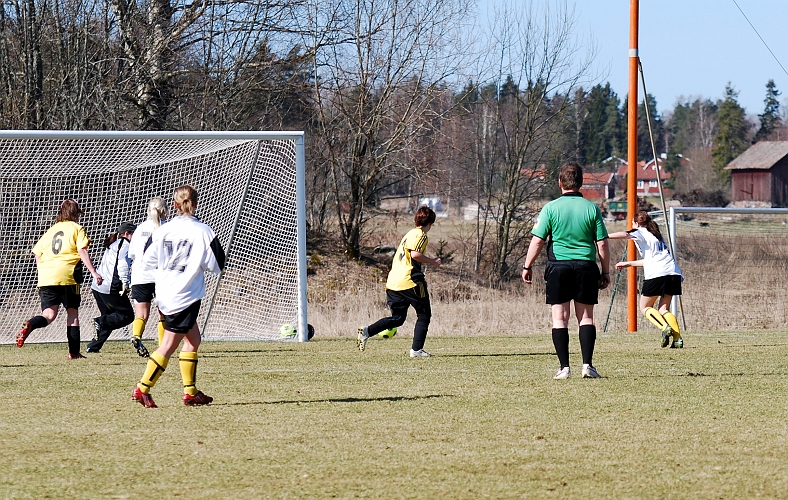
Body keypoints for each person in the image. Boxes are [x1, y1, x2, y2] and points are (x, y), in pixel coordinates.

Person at [132, 185, 226, 408]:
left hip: (165, 292)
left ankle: (190, 392)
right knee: (168, 346)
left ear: (174, 205)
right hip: (185, 295)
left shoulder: (162, 230)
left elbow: (147, 260)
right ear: (196, 204)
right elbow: (218, 263)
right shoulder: (203, 231)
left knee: (193, 340)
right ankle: (142, 389)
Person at [521, 163, 610, 379]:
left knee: (560, 318)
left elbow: (538, 241)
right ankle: (587, 366)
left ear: (559, 182)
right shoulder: (592, 209)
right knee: (586, 317)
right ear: (581, 182)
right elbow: (602, 244)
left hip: (558, 267)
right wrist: (605, 271)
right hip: (586, 266)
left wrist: (527, 266)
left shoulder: (550, 208)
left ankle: (564, 368)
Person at [17, 199, 103, 359]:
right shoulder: (77, 228)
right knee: (72, 313)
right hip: (67, 275)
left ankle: (30, 324)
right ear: (76, 213)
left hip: (46, 276)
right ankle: (74, 353)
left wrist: (42, 270)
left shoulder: (51, 230)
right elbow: (82, 251)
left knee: (48, 315)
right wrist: (94, 272)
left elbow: (37, 253)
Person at [357, 206, 442, 357]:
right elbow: (415, 254)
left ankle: (367, 331)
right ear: (430, 223)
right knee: (424, 314)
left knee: (398, 318)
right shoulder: (421, 235)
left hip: (393, 282)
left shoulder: (409, 234)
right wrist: (433, 261)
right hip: (410, 280)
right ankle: (416, 350)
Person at [609, 211, 684, 348]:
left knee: (645, 307)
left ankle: (665, 328)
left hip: (657, 274)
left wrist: (604, 236)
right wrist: (628, 263)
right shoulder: (656, 235)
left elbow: (625, 234)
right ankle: (677, 339)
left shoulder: (640, 231)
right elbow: (650, 260)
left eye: (632, 223)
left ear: (636, 223)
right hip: (673, 273)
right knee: (664, 309)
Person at [86, 222, 137, 353]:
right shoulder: (125, 245)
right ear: (127, 233)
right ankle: (99, 321)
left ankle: (93, 347)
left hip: (98, 287)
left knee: (110, 318)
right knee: (127, 316)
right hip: (110, 288)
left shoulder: (114, 243)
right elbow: (123, 265)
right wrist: (125, 282)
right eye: (134, 234)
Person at [127, 197, 169, 358]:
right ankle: (162, 347)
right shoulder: (167, 227)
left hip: (140, 276)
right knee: (163, 313)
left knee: (141, 314)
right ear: (164, 211)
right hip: (160, 276)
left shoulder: (139, 229)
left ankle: (136, 336)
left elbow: (131, 254)